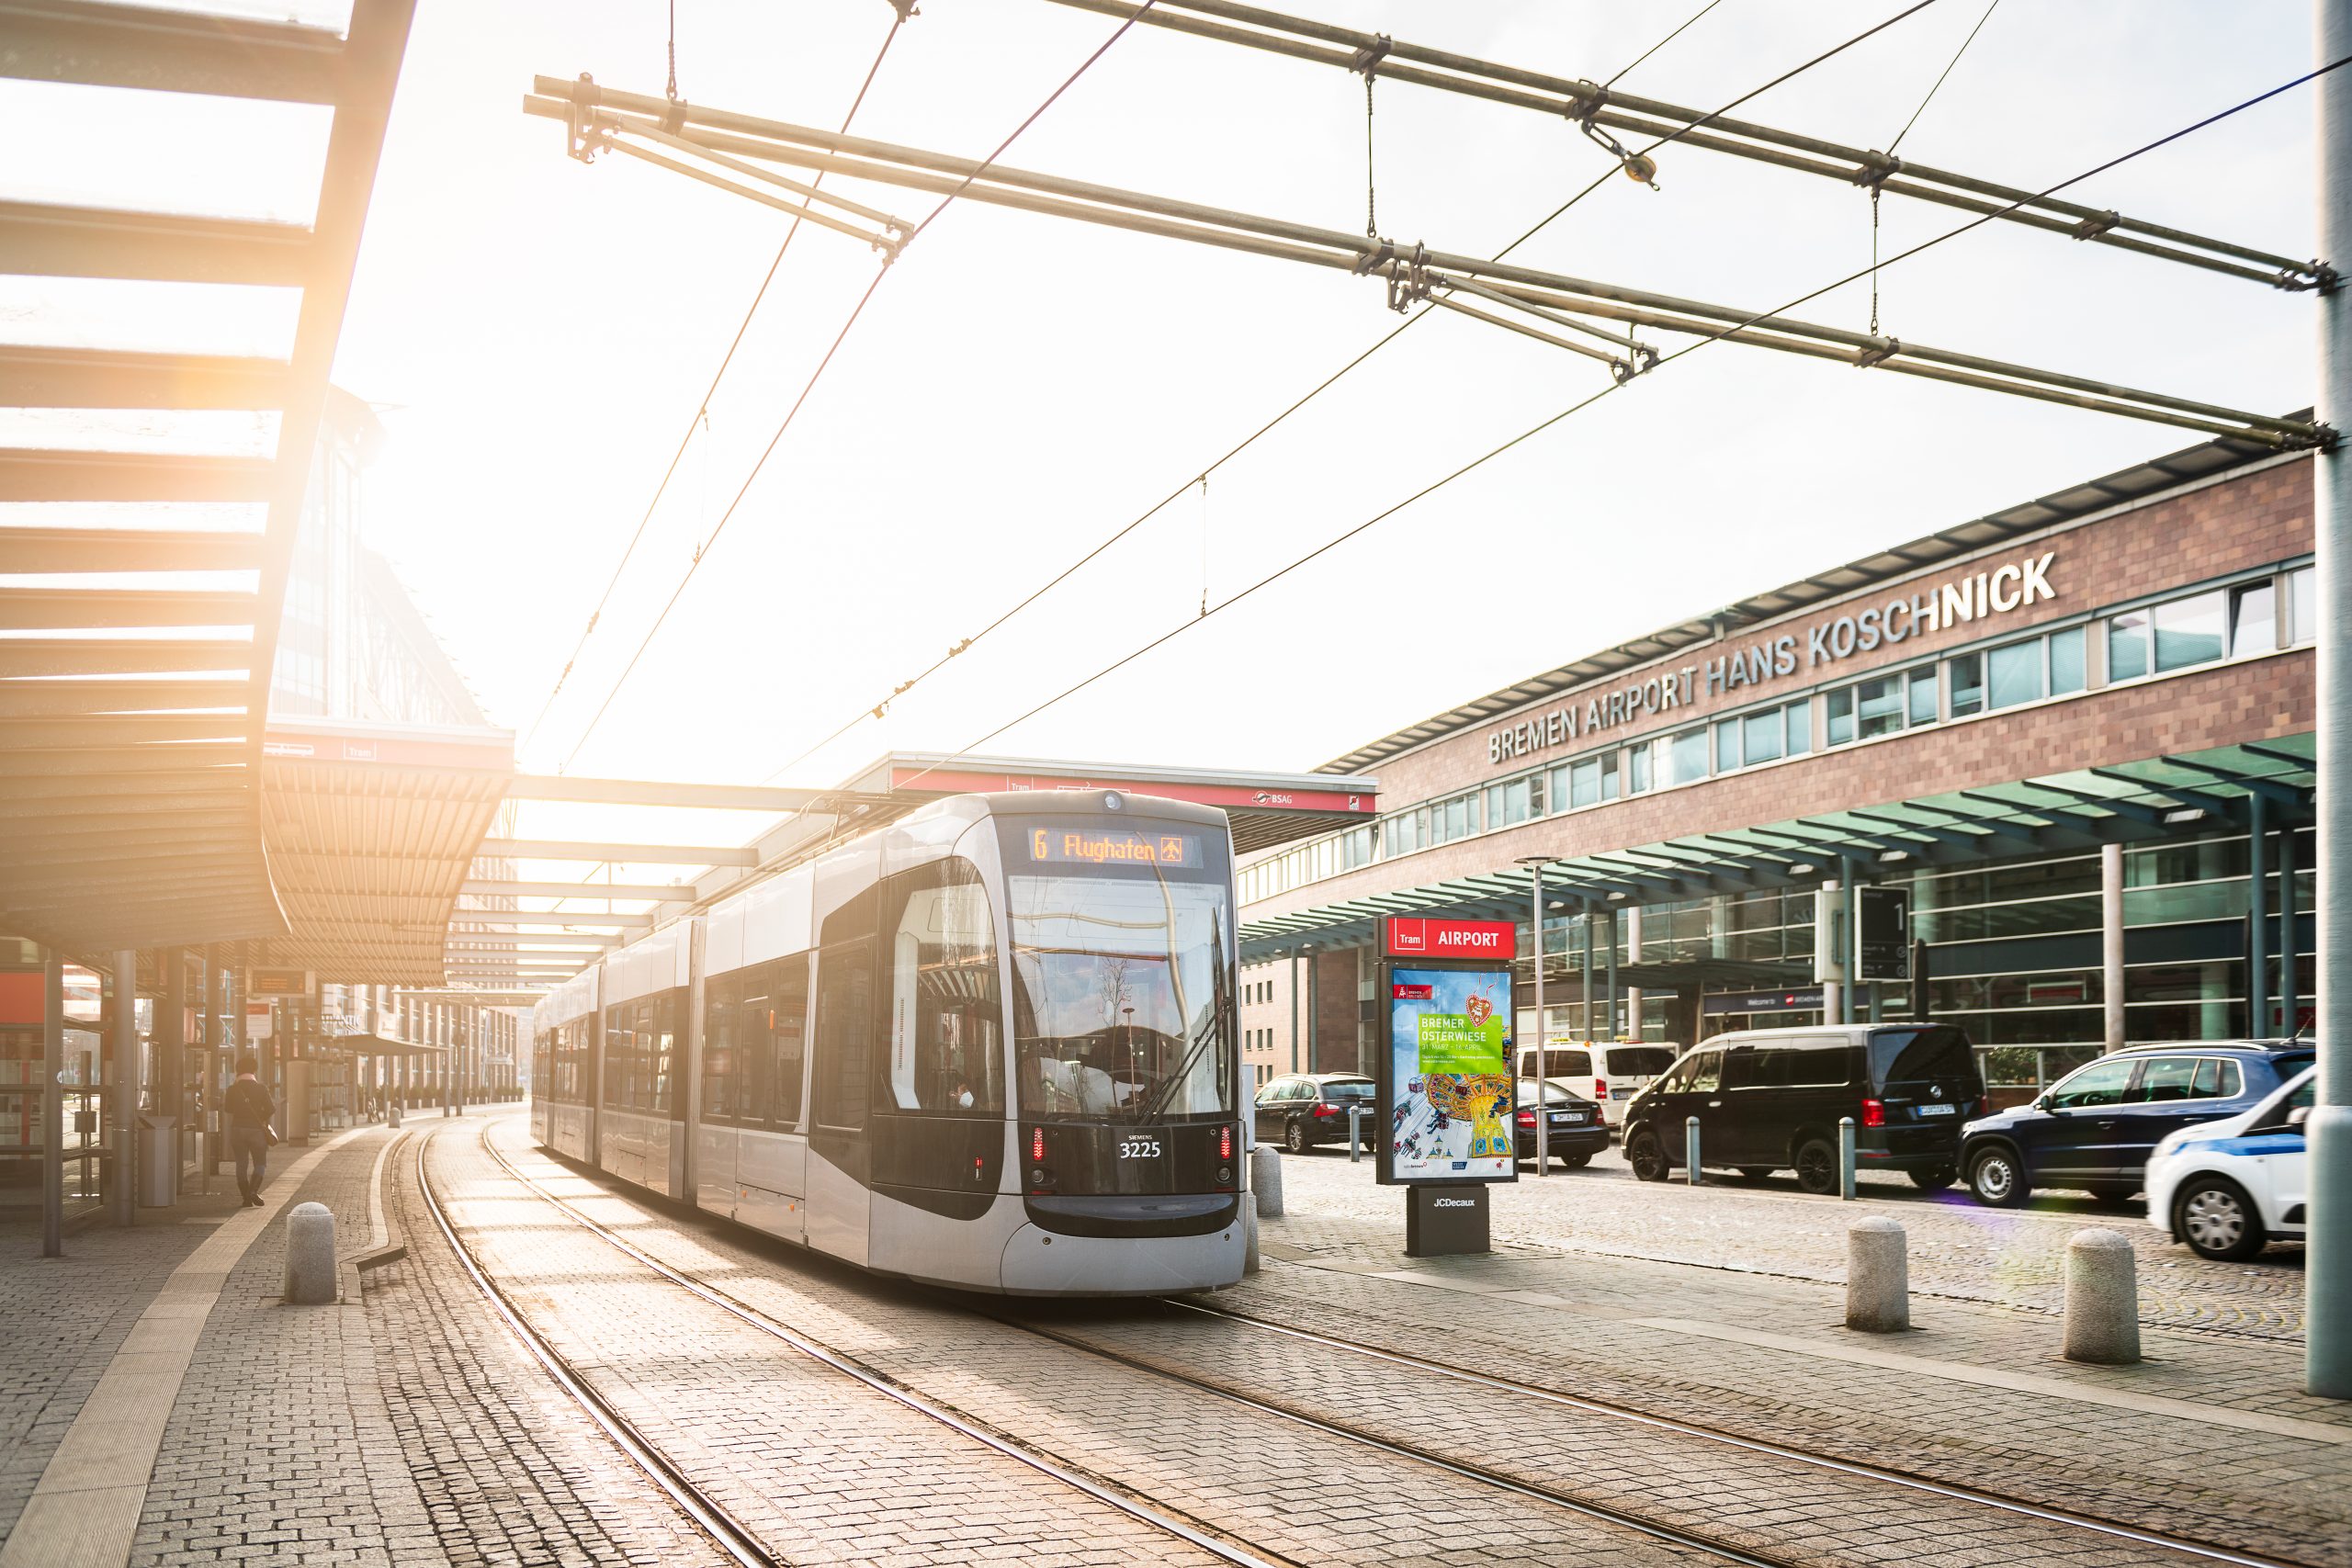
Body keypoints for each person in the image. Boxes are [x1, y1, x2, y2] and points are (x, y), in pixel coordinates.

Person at [223, 1056, 274, 1208]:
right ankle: (253, 1191)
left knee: (241, 1163)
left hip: (237, 1129)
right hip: (256, 1131)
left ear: (238, 1071)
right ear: (254, 1070)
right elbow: (271, 1109)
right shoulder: (261, 1088)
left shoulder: (232, 1089)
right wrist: (261, 1118)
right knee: (260, 1163)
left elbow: (227, 1109)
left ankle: (246, 1198)